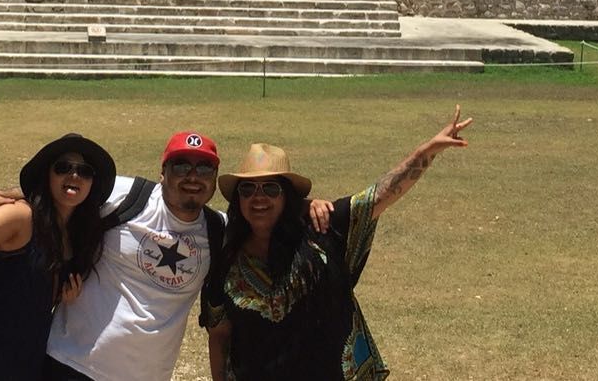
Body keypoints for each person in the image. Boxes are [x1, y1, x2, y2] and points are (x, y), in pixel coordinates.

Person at [202, 107, 473, 381]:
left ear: (288, 196)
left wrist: (428, 151)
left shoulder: (322, 229)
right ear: (238, 199)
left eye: (271, 188)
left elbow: (378, 196)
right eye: (248, 190)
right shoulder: (226, 258)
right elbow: (220, 333)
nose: (259, 198)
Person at [42, 130, 228, 381]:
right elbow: (53, 197)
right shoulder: (125, 196)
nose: (193, 176)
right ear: (162, 173)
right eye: (181, 166)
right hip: (72, 364)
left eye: (205, 168)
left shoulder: (219, 230)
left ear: (215, 179)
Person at [0, 132, 116, 381]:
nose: (74, 175)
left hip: (15, 366)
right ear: (47, 175)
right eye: (63, 167)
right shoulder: (22, 217)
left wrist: (63, 298)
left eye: (84, 171)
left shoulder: (75, 239)